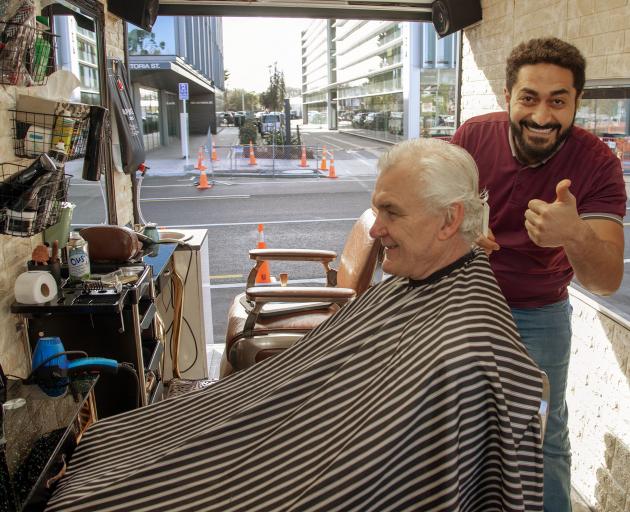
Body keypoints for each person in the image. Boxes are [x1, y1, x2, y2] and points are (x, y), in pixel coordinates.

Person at [46, 139, 544, 512]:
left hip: (316, 474)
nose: (375, 229)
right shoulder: (424, 277)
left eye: (391, 213)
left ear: (448, 219)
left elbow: (387, 474)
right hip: (297, 428)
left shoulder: (459, 350)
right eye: (376, 210)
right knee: (127, 442)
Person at [451, 37, 627, 511]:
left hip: (540, 312)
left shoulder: (598, 164)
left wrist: (575, 235)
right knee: (450, 421)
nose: (542, 116)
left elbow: (608, 279)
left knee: (542, 429)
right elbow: (442, 211)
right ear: (508, 96)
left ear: (577, 103)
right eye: (529, 98)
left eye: (558, 101)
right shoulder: (472, 137)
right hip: (463, 299)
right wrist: (464, 236)